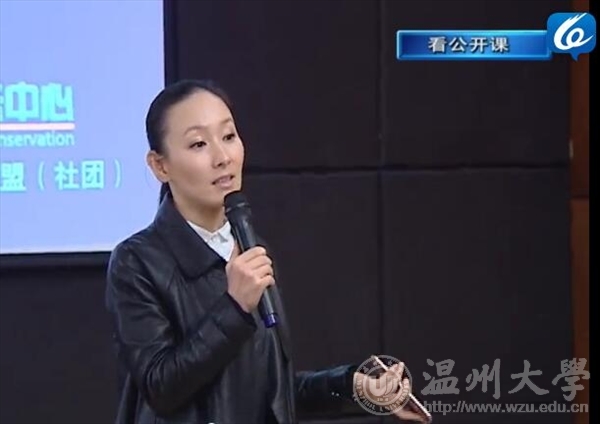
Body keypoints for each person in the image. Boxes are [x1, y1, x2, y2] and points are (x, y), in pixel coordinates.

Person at [105, 79, 425, 424]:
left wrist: (354, 388)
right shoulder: (137, 261)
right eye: (198, 144)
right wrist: (234, 308)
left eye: (229, 136)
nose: (222, 157)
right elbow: (161, 387)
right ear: (160, 166)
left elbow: (272, 395)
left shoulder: (251, 249)